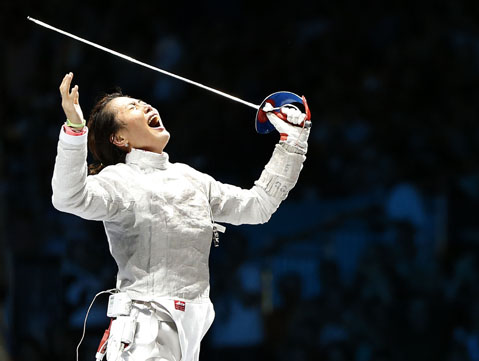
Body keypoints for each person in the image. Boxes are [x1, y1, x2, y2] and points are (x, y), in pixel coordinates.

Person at [52, 72, 311, 361]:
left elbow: (258, 205)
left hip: (189, 332)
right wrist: (75, 128)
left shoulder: (193, 179)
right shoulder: (120, 179)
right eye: (133, 108)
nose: (148, 107)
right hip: (143, 331)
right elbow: (69, 197)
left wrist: (292, 143)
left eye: (144, 102)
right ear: (119, 138)